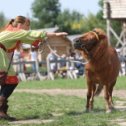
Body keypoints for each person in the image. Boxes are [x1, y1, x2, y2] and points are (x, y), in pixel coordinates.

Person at [0, 15, 67, 120]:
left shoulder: (11, 32)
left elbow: (29, 38)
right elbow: (32, 34)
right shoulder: (16, 32)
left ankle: (1, 110)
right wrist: (55, 34)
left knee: (8, 80)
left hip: (2, 55)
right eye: (27, 25)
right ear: (20, 24)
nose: (28, 28)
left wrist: (39, 41)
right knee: (11, 80)